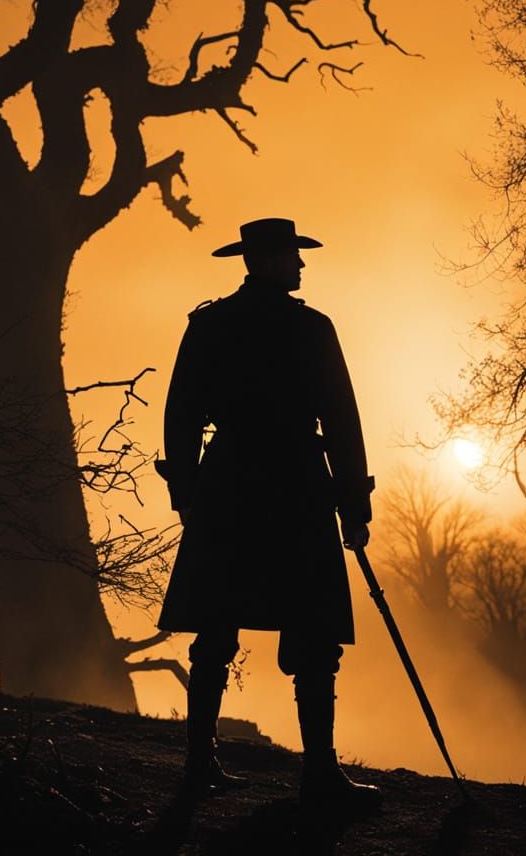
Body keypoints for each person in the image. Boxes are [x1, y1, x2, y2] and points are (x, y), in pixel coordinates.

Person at [156, 217, 380, 808]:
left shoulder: (209, 326)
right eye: (294, 256)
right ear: (273, 260)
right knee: (313, 633)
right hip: (297, 487)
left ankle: (199, 764)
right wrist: (353, 505)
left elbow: (181, 415)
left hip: (227, 485)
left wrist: (187, 492)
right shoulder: (311, 328)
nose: (302, 266)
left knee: (215, 627)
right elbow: (342, 421)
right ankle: (319, 773)